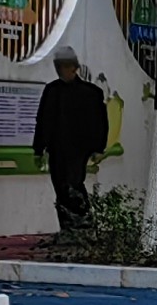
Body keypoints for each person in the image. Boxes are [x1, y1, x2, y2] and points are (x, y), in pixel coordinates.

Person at [34, 48, 111, 230]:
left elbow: (100, 123)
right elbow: (43, 120)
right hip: (58, 148)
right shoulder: (52, 90)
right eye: (59, 67)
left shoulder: (90, 93)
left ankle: (82, 225)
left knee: (72, 184)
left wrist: (98, 147)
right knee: (61, 187)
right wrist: (38, 148)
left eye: (64, 67)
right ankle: (71, 227)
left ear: (74, 68)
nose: (61, 71)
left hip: (78, 148)